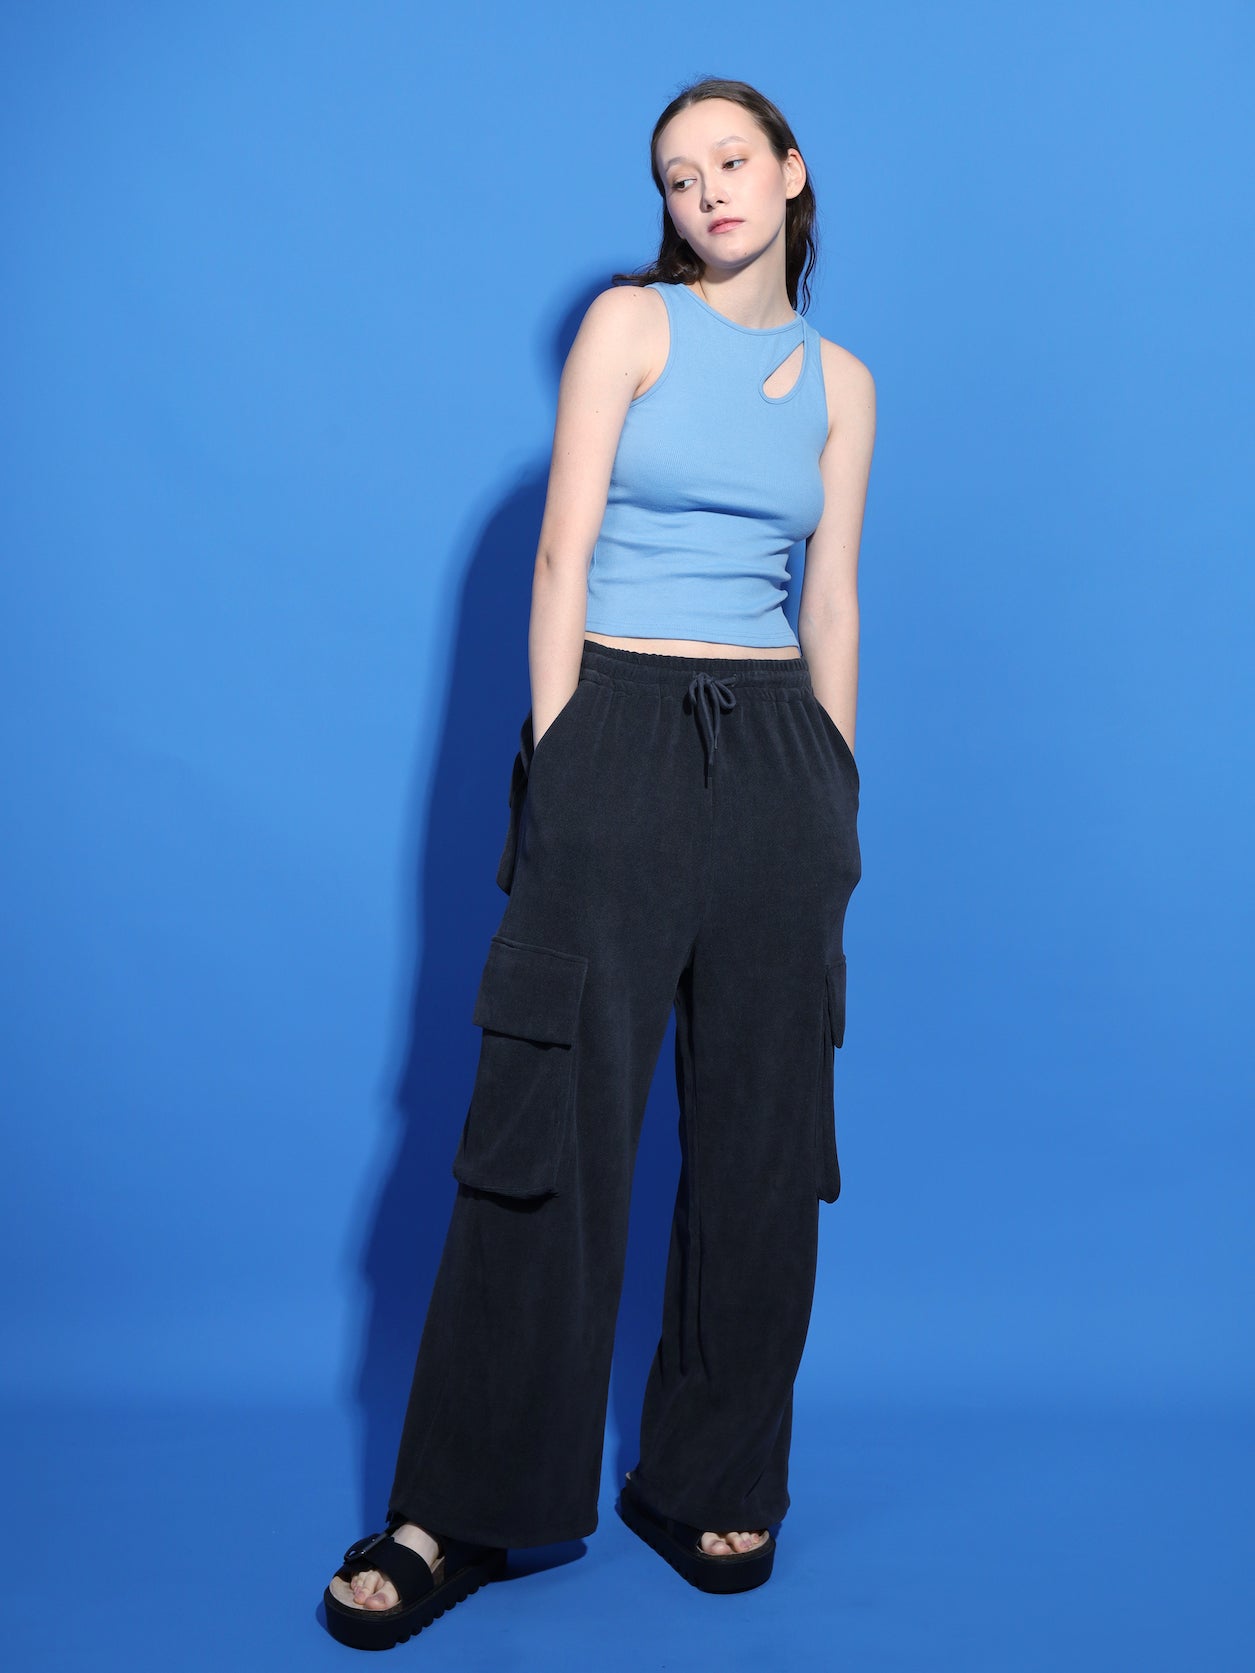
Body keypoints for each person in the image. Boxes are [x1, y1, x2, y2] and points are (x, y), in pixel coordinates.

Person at [322, 74, 876, 1650]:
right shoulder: (631, 327)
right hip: (617, 725)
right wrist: (566, 765)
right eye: (677, 175)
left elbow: (831, 594)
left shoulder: (847, 384)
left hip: (779, 759)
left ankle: (711, 1473)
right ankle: (459, 1508)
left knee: (766, 1136)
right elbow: (562, 552)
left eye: (730, 160)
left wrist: (834, 791)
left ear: (790, 171)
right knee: (548, 1123)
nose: (706, 191)